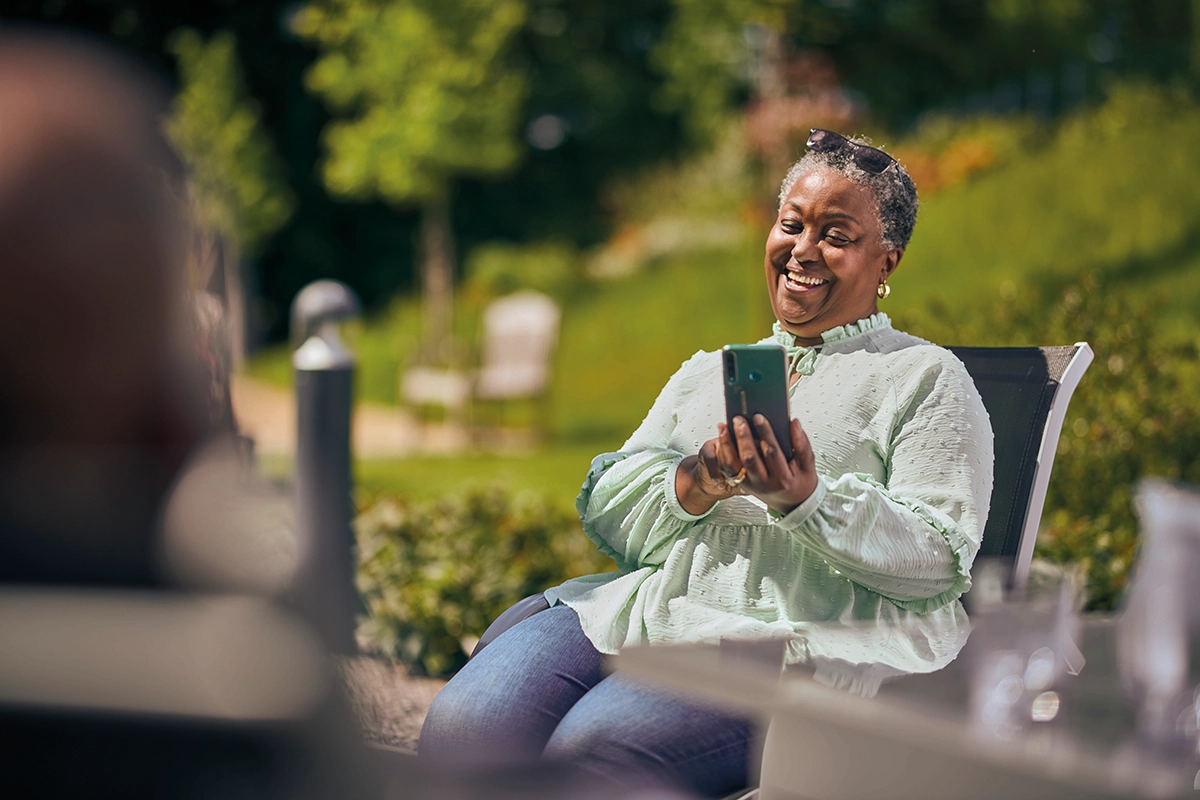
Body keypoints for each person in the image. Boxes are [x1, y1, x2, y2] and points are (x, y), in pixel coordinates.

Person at [419, 130, 994, 798]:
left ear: (887, 261)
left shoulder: (923, 378)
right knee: (464, 728)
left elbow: (940, 555)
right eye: (791, 225)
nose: (803, 250)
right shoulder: (708, 372)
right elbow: (613, 504)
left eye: (836, 234)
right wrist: (695, 481)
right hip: (653, 611)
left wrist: (806, 501)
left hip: (790, 645)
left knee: (593, 755)